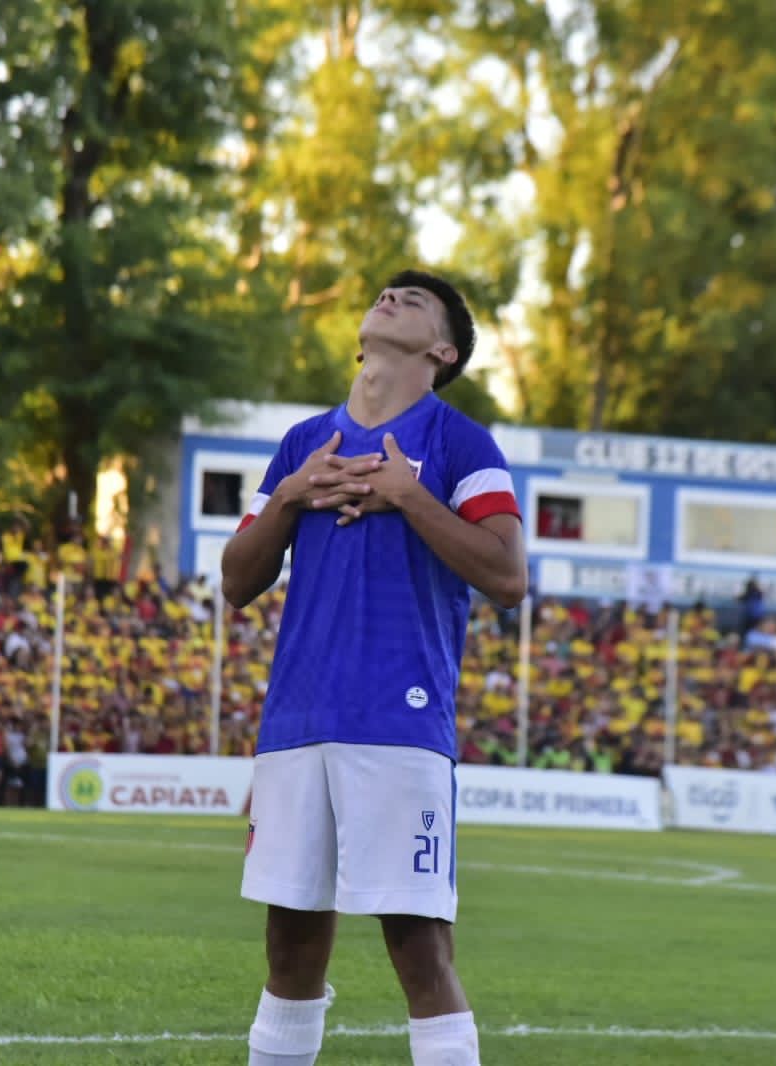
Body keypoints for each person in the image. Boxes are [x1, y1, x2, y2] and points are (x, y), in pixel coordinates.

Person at [222, 270, 526, 1066]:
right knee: (287, 955)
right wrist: (287, 497)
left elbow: (506, 576)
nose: (391, 297)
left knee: (419, 951)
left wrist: (408, 496)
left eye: (414, 301)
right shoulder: (300, 445)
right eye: (386, 293)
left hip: (398, 722)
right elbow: (235, 582)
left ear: (440, 349)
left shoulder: (461, 444)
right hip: (294, 725)